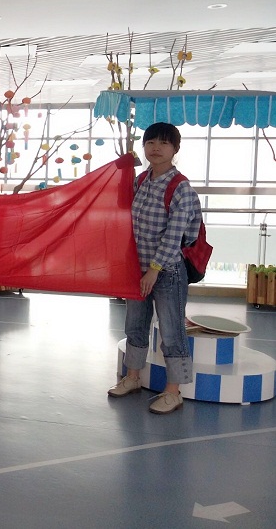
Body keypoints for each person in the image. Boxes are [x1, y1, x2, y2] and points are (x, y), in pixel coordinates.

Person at [108, 122, 202, 414]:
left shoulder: (180, 187)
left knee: (172, 332)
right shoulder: (141, 181)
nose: (156, 148)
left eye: (163, 143)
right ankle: (132, 377)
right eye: (150, 142)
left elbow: (174, 235)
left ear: (175, 149)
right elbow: (123, 215)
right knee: (135, 326)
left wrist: (154, 270)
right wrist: (121, 170)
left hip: (167, 272)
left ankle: (173, 392)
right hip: (137, 269)